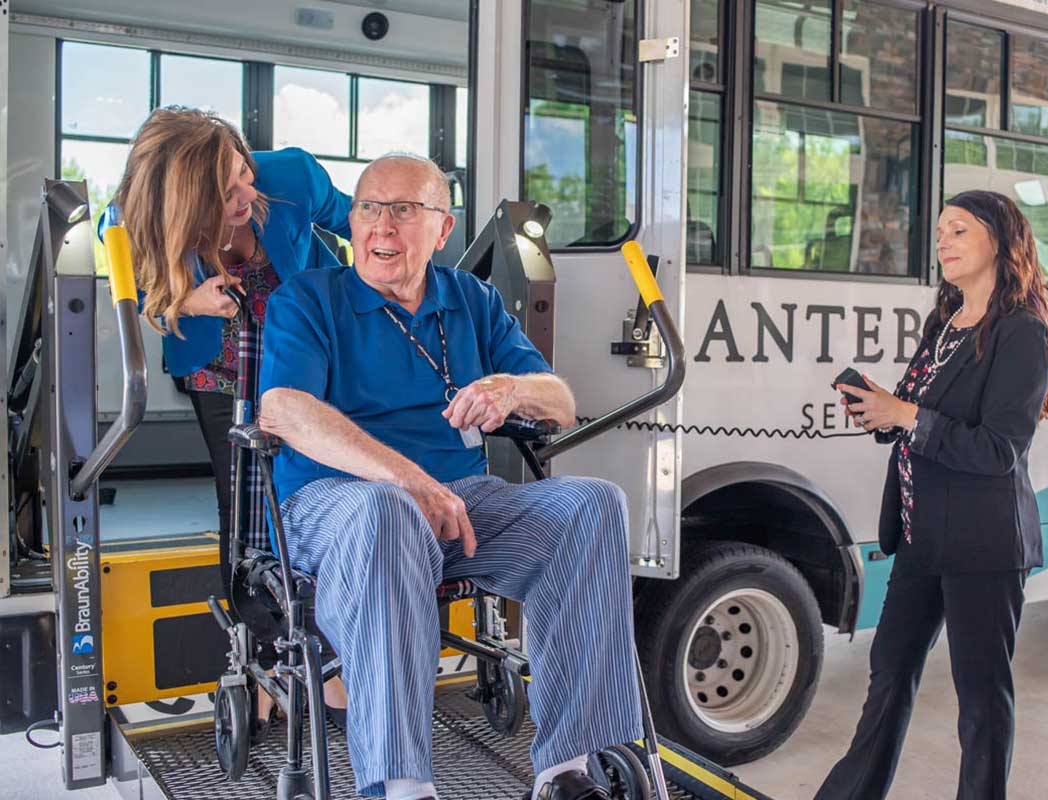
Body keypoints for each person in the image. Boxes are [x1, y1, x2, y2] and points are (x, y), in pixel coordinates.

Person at [256, 152, 642, 800]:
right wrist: (404, 479)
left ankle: (568, 769)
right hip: (335, 505)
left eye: (403, 209)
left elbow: (560, 403)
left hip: (458, 504)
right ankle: (401, 786)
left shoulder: (471, 299)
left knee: (592, 505)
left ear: (442, 228)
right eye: (368, 208)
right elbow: (282, 409)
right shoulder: (310, 299)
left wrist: (511, 388)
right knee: (386, 510)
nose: (382, 225)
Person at [98, 106, 352, 718]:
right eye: (226, 190)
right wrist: (186, 300)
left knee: (320, 492)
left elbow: (363, 221)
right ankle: (260, 659)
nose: (247, 192)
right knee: (241, 506)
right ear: (182, 200)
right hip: (220, 366)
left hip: (303, 357)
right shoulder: (133, 216)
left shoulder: (290, 176)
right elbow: (131, 273)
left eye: (243, 172)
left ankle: (326, 660)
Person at [820, 190, 1048, 800]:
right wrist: (882, 411)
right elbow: (919, 413)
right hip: (921, 535)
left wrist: (905, 415)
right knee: (889, 674)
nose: (943, 242)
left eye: (959, 230)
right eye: (939, 232)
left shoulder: (1022, 333)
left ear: (1000, 242)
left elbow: (998, 450)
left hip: (983, 545)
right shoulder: (946, 323)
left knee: (981, 699)